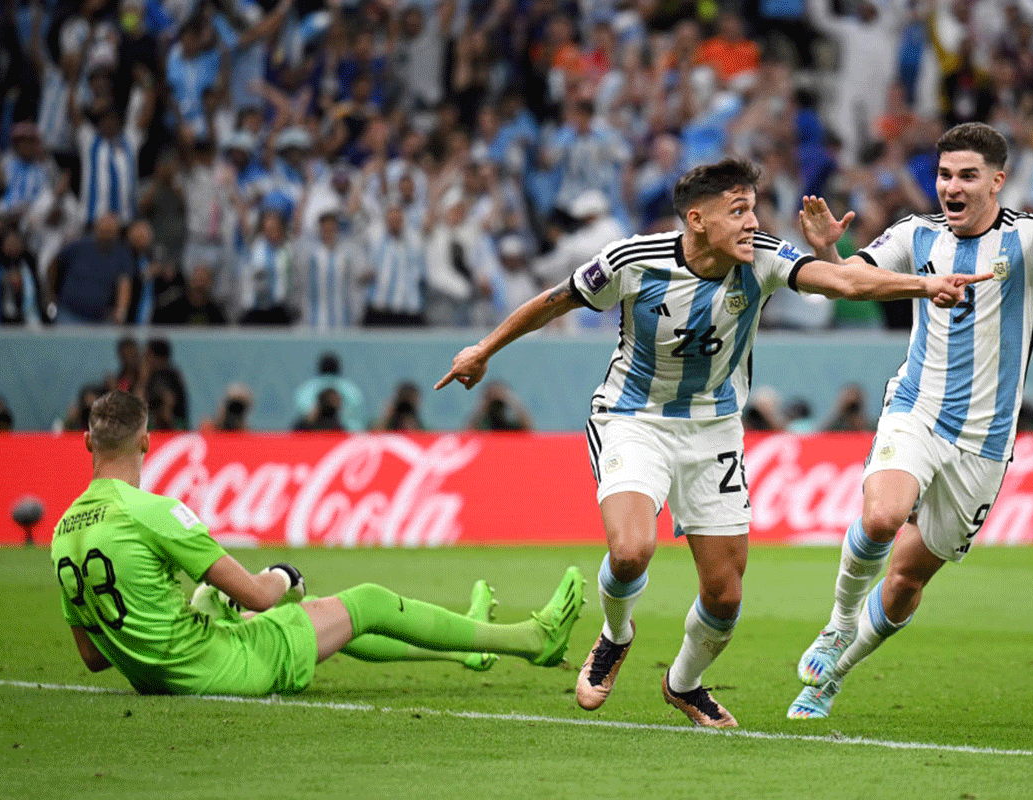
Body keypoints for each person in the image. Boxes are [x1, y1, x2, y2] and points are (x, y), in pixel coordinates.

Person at [437, 158, 985, 728]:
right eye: (738, 211)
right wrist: (483, 349)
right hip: (635, 417)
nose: (753, 222)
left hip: (714, 428)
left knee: (724, 596)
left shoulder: (764, 259)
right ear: (697, 220)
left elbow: (845, 279)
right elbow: (556, 300)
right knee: (630, 552)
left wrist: (923, 285)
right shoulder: (632, 261)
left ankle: (685, 683)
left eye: (753, 208)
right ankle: (615, 634)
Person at [787, 123, 1033, 720]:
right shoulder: (916, 234)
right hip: (915, 410)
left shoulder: (1032, 239)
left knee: (904, 583)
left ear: (997, 180)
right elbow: (849, 283)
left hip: (985, 444)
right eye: (945, 175)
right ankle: (837, 626)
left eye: (967, 175)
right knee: (883, 515)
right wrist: (827, 255)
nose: (952, 186)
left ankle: (830, 677)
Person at [51, 390, 585, 697]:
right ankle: (531, 639)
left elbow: (92, 658)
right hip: (221, 669)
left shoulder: (62, 532)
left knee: (238, 602)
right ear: (146, 441)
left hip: (163, 672)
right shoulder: (156, 513)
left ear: (86, 443)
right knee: (364, 601)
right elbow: (263, 596)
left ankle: (470, 647)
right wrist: (284, 575)